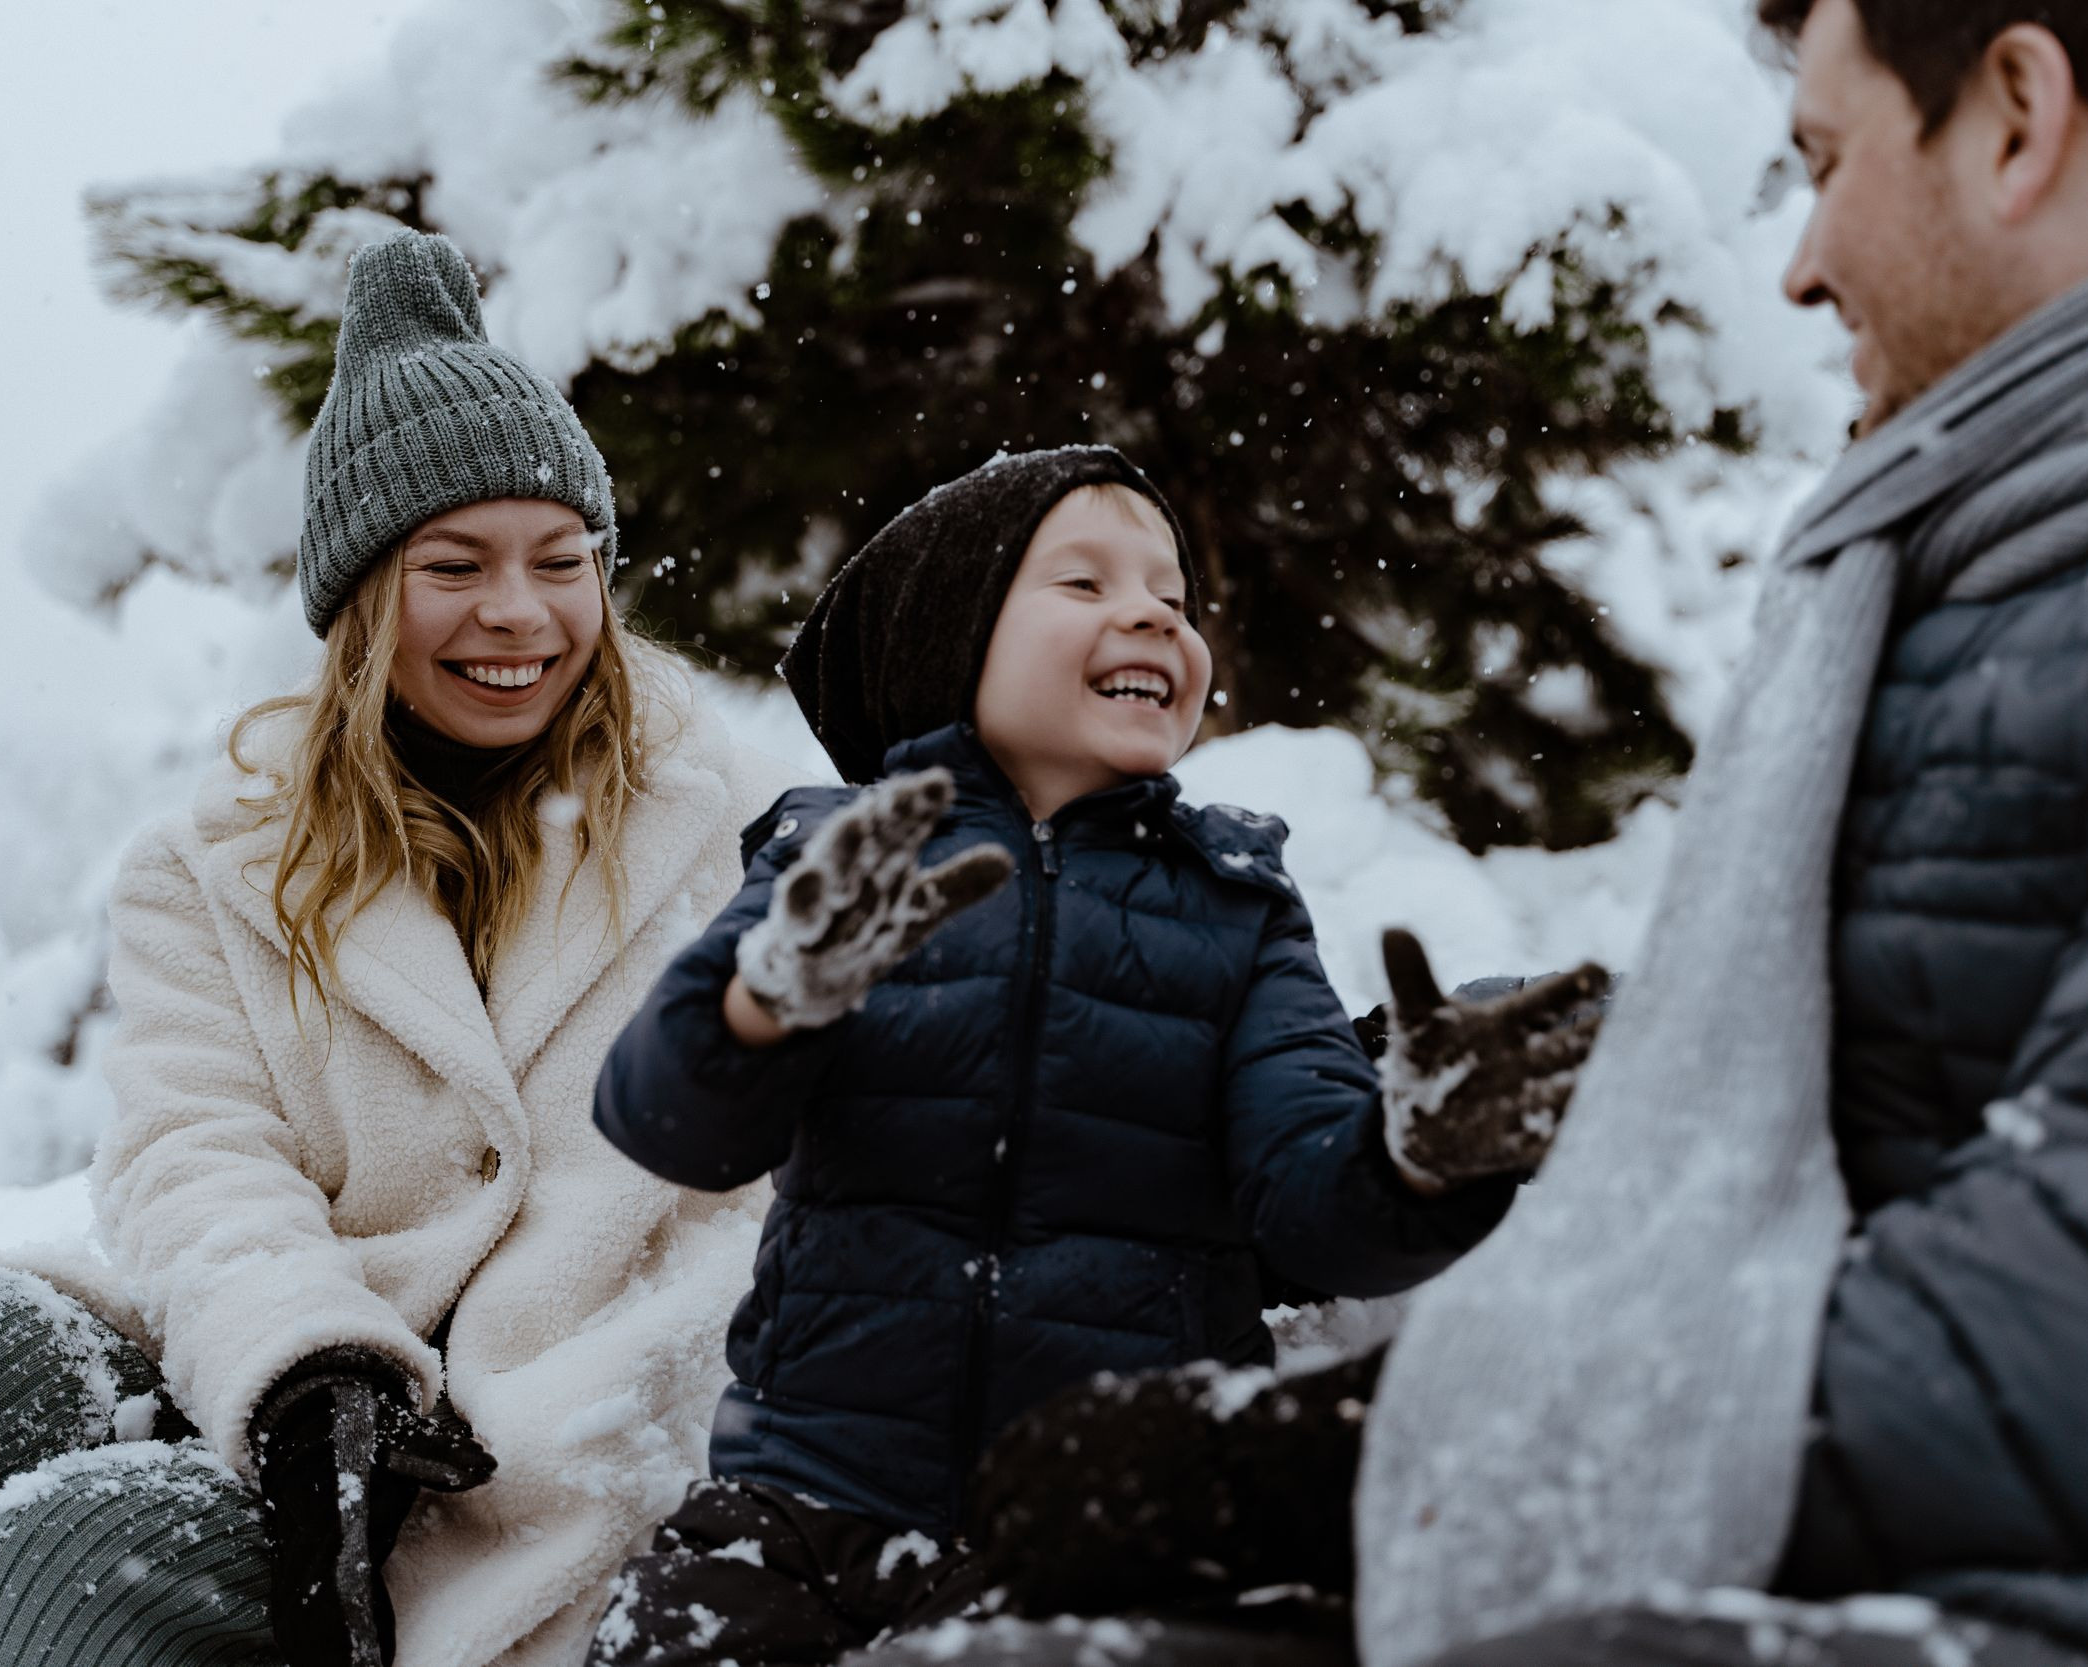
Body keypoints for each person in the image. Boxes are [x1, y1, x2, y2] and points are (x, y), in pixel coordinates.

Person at [881, 2, 2088, 1665]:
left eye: (1829, 164)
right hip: (1860, 1512)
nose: (1799, 263)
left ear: (2015, 113)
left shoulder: (2079, 575)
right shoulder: (1980, 568)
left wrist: (1357, 1455)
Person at [0, 230, 797, 1667]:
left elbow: (762, 1210)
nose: (518, 610)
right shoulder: (219, 866)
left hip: (512, 1448)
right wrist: (305, 1365)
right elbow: (194, 1150)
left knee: (80, 1547)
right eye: (455, 563)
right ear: (358, 601)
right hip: (289, 1394)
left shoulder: (726, 834)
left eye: (559, 560)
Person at [577, 446, 1610, 1667]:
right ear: (950, 639)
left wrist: (1419, 1158)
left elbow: (1307, 1199)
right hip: (804, 1498)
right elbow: (666, 1122)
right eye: (1084, 583)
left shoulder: (1231, 908)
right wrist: (766, 1000)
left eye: (1171, 599)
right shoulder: (841, 873)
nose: (1149, 617)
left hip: (1094, 1522)